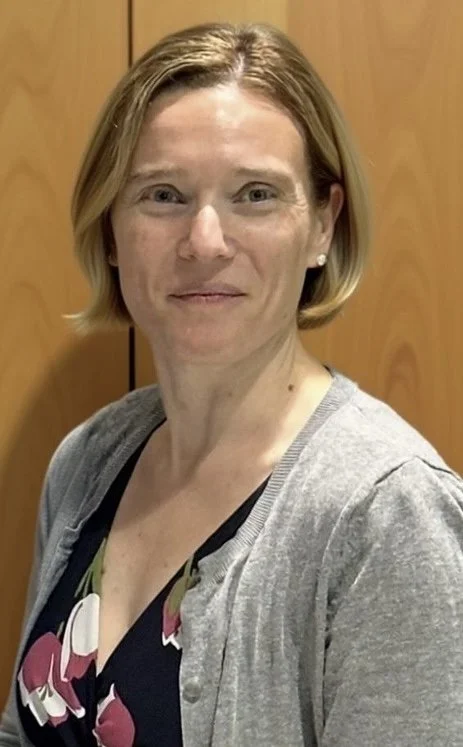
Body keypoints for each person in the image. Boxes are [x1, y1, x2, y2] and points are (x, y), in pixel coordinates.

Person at [1, 20, 462, 747]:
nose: (205, 241)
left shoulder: (387, 515)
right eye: (163, 194)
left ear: (322, 226)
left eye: (255, 194)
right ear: (111, 229)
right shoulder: (89, 459)